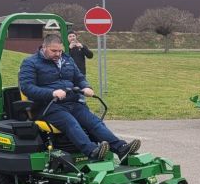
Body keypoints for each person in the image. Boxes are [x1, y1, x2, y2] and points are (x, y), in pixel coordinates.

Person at [19, 33, 140, 161]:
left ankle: (121, 148)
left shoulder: (67, 60)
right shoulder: (30, 62)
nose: (58, 54)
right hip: (48, 106)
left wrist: (86, 87)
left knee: (94, 122)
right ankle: (92, 151)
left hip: (72, 102)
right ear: (44, 47)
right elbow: (27, 87)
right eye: (54, 51)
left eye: (60, 51)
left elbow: (79, 78)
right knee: (71, 122)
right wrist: (52, 93)